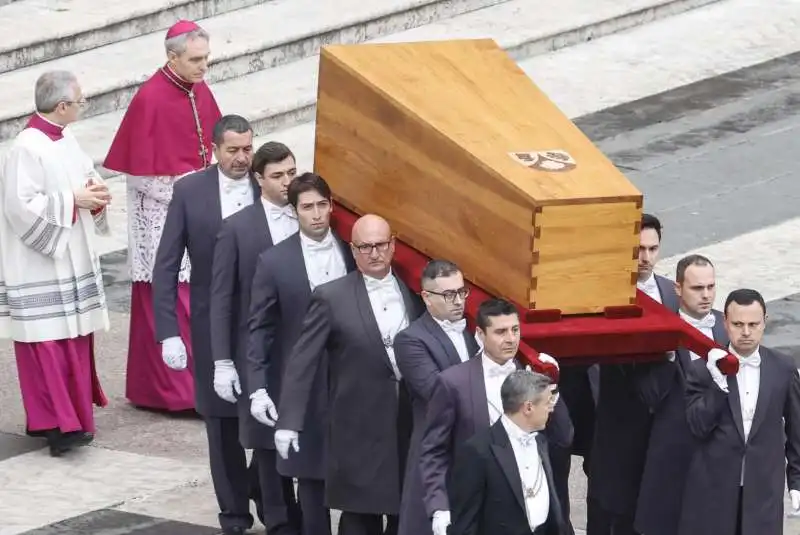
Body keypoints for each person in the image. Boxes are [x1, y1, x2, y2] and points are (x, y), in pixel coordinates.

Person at [274, 214, 424, 535]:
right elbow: (303, 361)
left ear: (393, 245)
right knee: (360, 519)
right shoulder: (331, 297)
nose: (374, 253)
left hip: (407, 425)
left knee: (406, 518)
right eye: (365, 246)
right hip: (357, 429)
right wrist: (289, 421)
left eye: (380, 245)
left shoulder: (415, 293)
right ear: (353, 250)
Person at [103, 19, 221, 411]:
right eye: (195, 60)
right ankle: (178, 394)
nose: (203, 68)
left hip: (194, 209)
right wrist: (190, 191)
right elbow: (140, 176)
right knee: (171, 298)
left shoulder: (197, 89)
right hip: (159, 215)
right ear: (173, 58)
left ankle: (191, 388)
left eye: (206, 58)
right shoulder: (150, 99)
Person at [153, 115, 262, 535]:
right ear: (215, 149)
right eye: (233, 150)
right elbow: (166, 265)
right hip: (211, 325)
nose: (241, 158)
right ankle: (233, 513)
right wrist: (167, 331)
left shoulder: (268, 187)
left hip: (262, 323)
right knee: (222, 423)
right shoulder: (189, 190)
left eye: (247, 148)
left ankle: (265, 494)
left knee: (270, 416)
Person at [0, 71, 111, 457]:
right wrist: (71, 200)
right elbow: (19, 207)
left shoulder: (66, 138)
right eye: (80, 101)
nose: (82, 105)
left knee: (74, 338)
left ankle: (75, 418)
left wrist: (96, 193)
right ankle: (56, 425)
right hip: (39, 263)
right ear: (61, 105)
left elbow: (84, 178)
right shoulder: (25, 148)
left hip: (70, 255)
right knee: (46, 342)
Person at [246, 172, 357, 535]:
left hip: (349, 378)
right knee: (310, 476)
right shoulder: (275, 261)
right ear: (294, 211)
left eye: (322, 205)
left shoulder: (352, 252)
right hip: (303, 383)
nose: (316, 214)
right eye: (307, 207)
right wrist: (258, 386)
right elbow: (260, 328)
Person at [419, 298, 573, 535]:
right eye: (500, 332)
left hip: (533, 500)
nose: (511, 339)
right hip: (484, 505)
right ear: (480, 334)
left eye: (515, 330)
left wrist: (553, 386)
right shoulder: (453, 383)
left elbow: (563, 437)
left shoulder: (533, 375)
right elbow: (434, 450)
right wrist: (440, 507)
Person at [209, 140, 302, 534]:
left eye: (291, 173)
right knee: (265, 440)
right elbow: (221, 299)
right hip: (259, 349)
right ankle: (280, 518)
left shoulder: (310, 215)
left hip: (303, 344)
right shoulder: (238, 228)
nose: (286, 183)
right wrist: (223, 361)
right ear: (258, 179)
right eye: (277, 176)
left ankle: (274, 499)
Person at [679, 289, 800, 535]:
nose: (746, 332)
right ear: (725, 323)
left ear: (765, 322)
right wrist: (718, 385)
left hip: (763, 494)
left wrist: (796, 481)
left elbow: (796, 431)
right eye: (738, 324)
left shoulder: (783, 369)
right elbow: (696, 427)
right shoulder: (702, 370)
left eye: (753, 324)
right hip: (713, 495)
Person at [587, 213, 678, 535]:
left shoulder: (671, 293)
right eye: (639, 249)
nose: (646, 258)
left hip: (659, 422)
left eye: (653, 249)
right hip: (615, 421)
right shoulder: (604, 295)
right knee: (608, 508)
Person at [634, 254, 727, 535]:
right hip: (672, 460)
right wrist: (668, 358)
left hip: (720, 461)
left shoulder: (729, 327)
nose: (706, 295)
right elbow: (648, 396)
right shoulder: (659, 332)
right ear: (678, 289)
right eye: (697, 288)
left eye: (711, 287)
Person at [394, 260, 479, 535]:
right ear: (427, 298)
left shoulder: (473, 334)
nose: (458, 301)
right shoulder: (411, 340)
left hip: (475, 452)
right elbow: (435, 392)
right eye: (448, 295)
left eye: (461, 292)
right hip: (437, 454)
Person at [448, 370, 568, 535]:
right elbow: (464, 524)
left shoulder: (541, 441)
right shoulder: (477, 451)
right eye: (547, 403)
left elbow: (565, 436)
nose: (551, 409)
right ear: (528, 407)